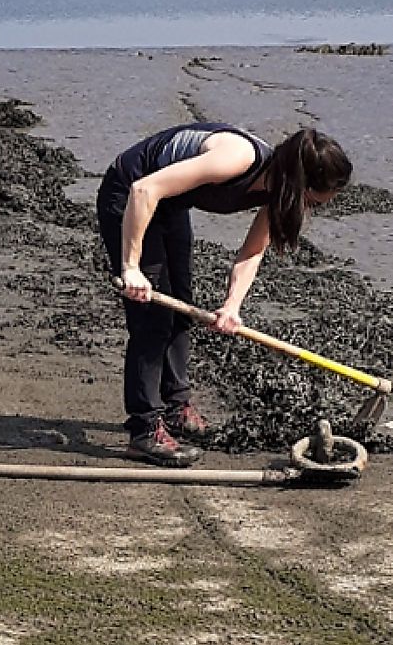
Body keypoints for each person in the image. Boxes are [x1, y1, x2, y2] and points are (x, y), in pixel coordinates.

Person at [97, 124, 352, 467]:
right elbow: (144, 190)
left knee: (181, 309)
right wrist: (131, 267)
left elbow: (251, 253)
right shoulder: (237, 159)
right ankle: (144, 431)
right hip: (130, 193)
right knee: (152, 321)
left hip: (170, 204)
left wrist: (232, 306)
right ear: (299, 184)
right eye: (313, 202)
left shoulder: (277, 188)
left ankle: (176, 408)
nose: (311, 210)